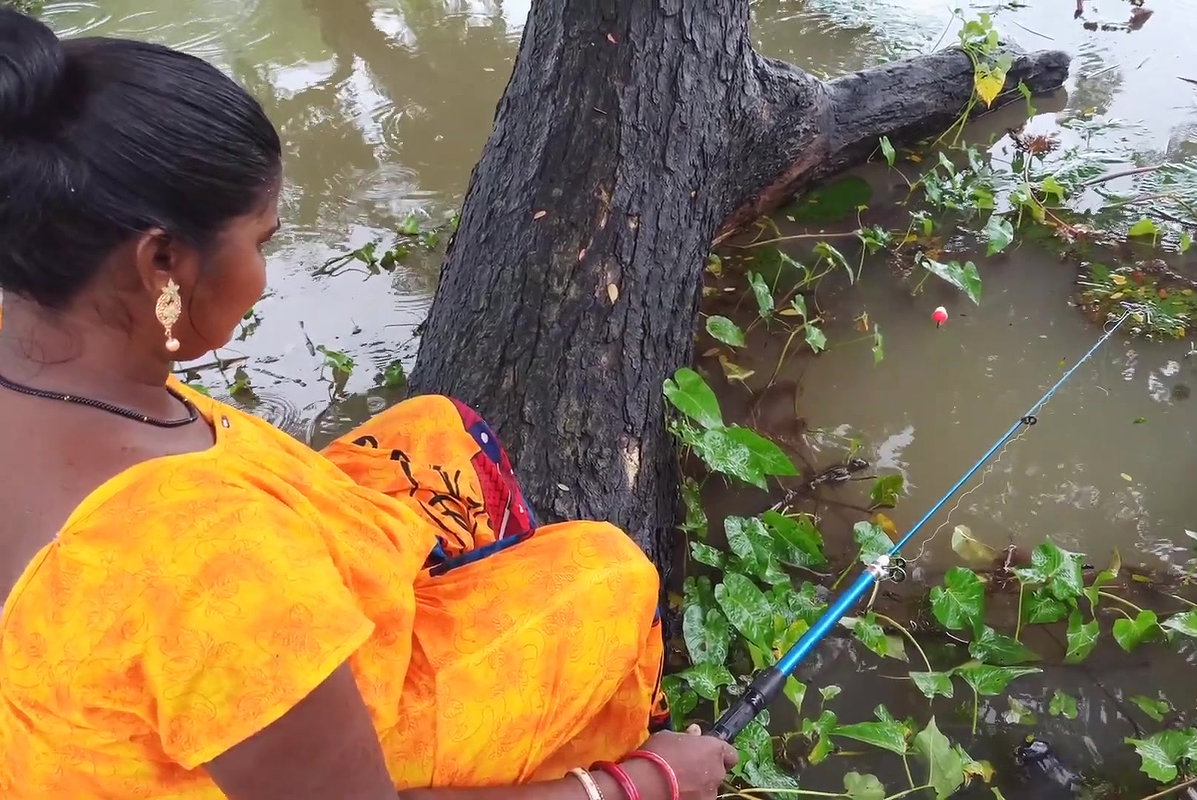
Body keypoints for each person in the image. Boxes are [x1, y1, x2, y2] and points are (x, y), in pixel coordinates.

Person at [0, 9, 737, 800]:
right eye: (263, 240)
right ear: (165, 261)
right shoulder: (210, 564)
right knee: (607, 576)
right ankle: (582, 748)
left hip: (136, 698)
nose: (263, 274)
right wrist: (642, 783)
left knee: (436, 430)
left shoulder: (40, 332)